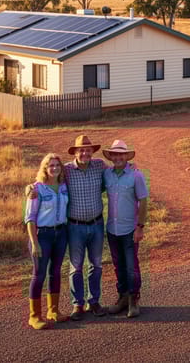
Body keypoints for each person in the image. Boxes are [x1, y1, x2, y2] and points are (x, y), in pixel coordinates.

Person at [101, 140, 149, 318]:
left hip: (130, 229)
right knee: (118, 266)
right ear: (111, 157)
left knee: (131, 266)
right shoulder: (107, 174)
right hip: (112, 229)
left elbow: (143, 201)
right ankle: (122, 297)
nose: (118, 157)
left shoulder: (136, 175)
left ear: (126, 156)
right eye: (115, 154)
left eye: (121, 154)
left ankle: (133, 300)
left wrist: (140, 227)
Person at [63, 135, 108, 320]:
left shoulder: (99, 166)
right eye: (81, 150)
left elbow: (117, 171)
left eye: (88, 150)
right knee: (76, 266)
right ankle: (77, 304)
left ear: (92, 152)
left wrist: (133, 167)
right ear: (75, 152)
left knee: (96, 265)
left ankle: (94, 301)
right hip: (75, 226)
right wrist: (31, 188)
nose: (84, 153)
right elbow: (46, 179)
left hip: (97, 224)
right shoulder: (66, 170)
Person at [23, 153, 69, 330]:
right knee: (39, 274)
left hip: (61, 233)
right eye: (51, 166)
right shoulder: (37, 189)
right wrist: (34, 242)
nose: (55, 168)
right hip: (42, 235)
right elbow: (30, 218)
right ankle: (34, 316)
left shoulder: (64, 186)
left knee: (55, 272)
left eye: (57, 165)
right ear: (45, 168)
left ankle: (53, 311)